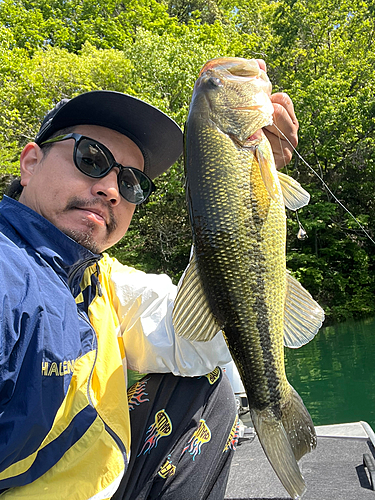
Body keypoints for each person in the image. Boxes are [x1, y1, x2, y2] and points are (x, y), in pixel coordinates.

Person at [0, 61, 298, 499]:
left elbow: (198, 347)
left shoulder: (98, 277)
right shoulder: (11, 275)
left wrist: (233, 217)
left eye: (132, 182)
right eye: (91, 158)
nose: (111, 189)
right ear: (30, 162)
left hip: (105, 476)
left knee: (209, 385)